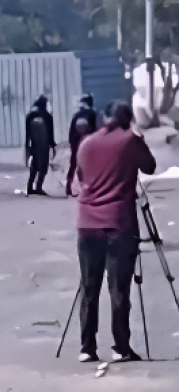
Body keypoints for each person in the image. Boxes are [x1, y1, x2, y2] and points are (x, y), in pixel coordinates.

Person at [75, 100, 155, 363]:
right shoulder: (130, 140)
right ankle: (121, 348)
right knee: (119, 288)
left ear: (105, 117)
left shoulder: (86, 142)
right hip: (119, 222)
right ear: (128, 119)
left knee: (89, 287)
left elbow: (81, 176)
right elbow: (149, 166)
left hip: (87, 223)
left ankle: (87, 348)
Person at [66, 94, 99, 197]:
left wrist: (72, 144)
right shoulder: (94, 114)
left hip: (76, 144)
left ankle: (68, 187)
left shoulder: (76, 115)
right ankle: (90, 188)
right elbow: (97, 130)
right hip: (89, 145)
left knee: (73, 165)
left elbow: (71, 132)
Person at [25, 95, 56, 196]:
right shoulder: (47, 116)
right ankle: (39, 187)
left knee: (34, 166)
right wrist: (52, 145)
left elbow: (27, 133)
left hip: (33, 145)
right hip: (44, 145)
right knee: (43, 167)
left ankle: (29, 187)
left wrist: (27, 146)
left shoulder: (31, 115)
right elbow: (50, 133)